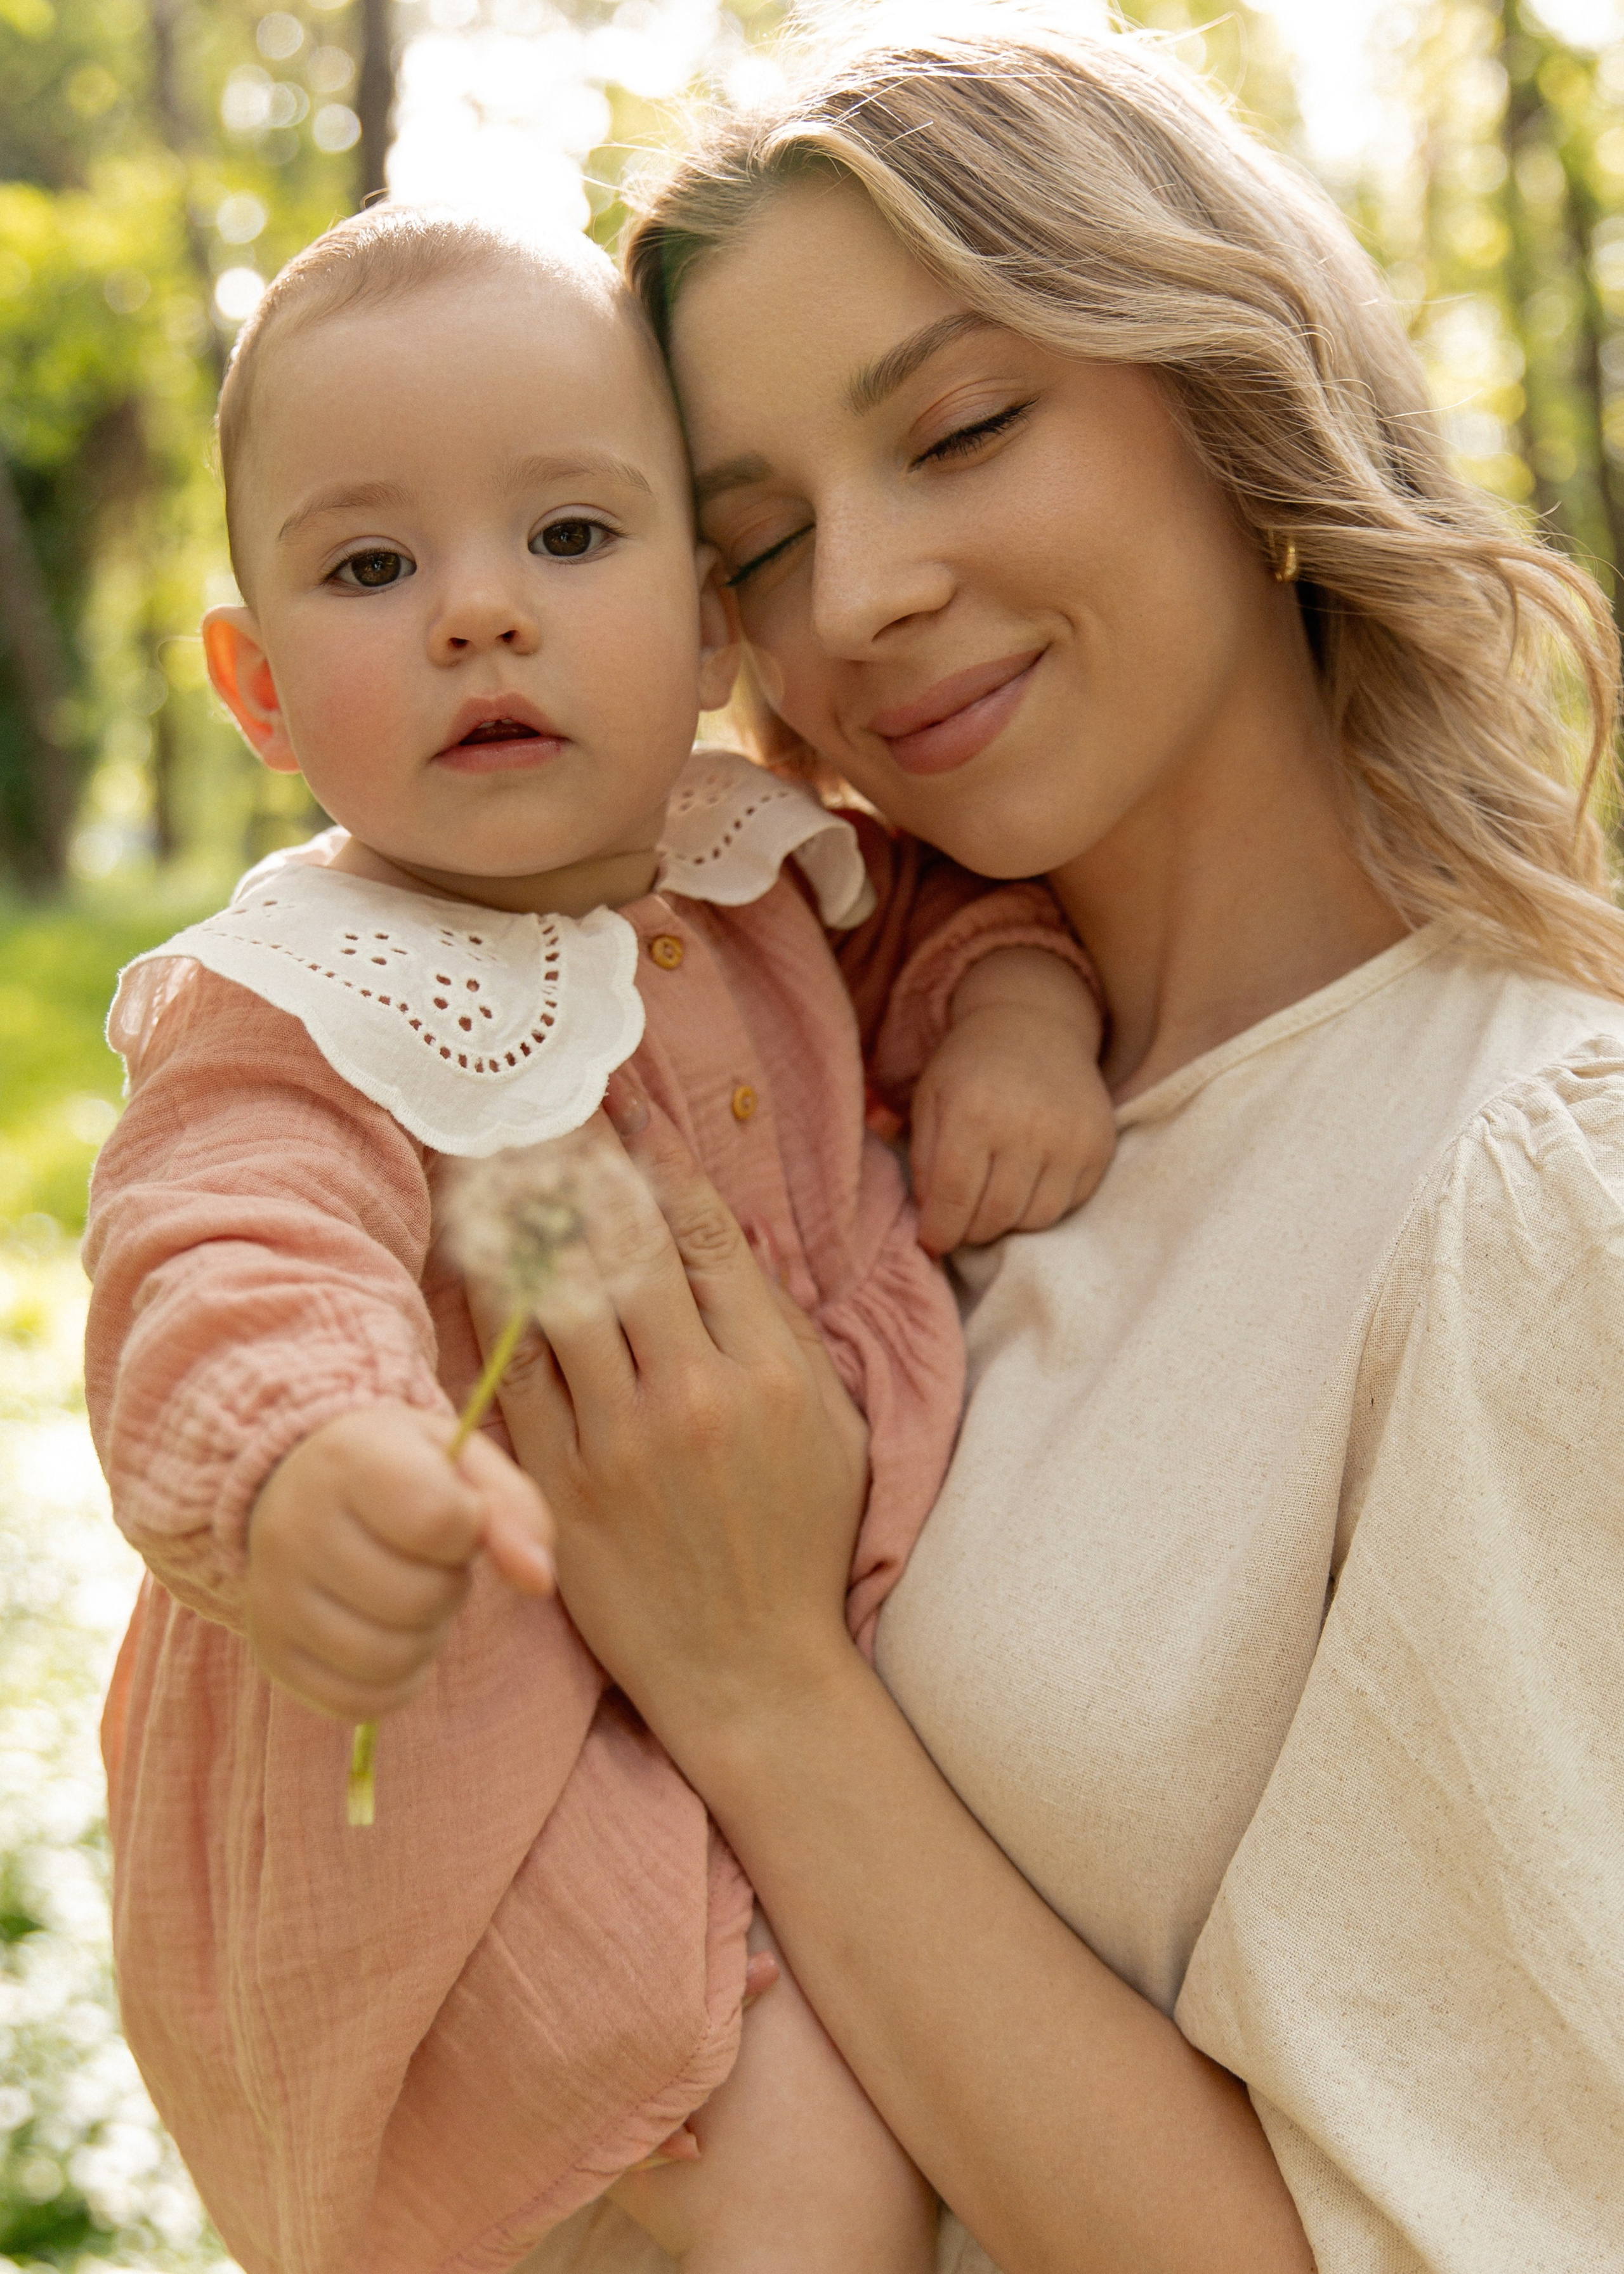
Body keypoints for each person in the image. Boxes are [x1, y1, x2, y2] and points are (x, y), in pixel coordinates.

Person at [497, 15, 1624, 2274]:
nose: (860, 599)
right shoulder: (795, 1108)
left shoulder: (1524, 1187)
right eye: (760, 544)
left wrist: (764, 1691)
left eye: (965, 426)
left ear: (1228, 388)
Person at [82, 205, 1115, 2274]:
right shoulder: (308, 991)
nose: (481, 615)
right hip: (491, 1767)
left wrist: (1016, 1010)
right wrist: (307, 1458)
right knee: (808, 2189)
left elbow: (959, 923)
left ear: (719, 621)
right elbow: (218, 1244)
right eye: (375, 567)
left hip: (744, 1679)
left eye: (569, 537)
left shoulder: (778, 863)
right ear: (261, 686)